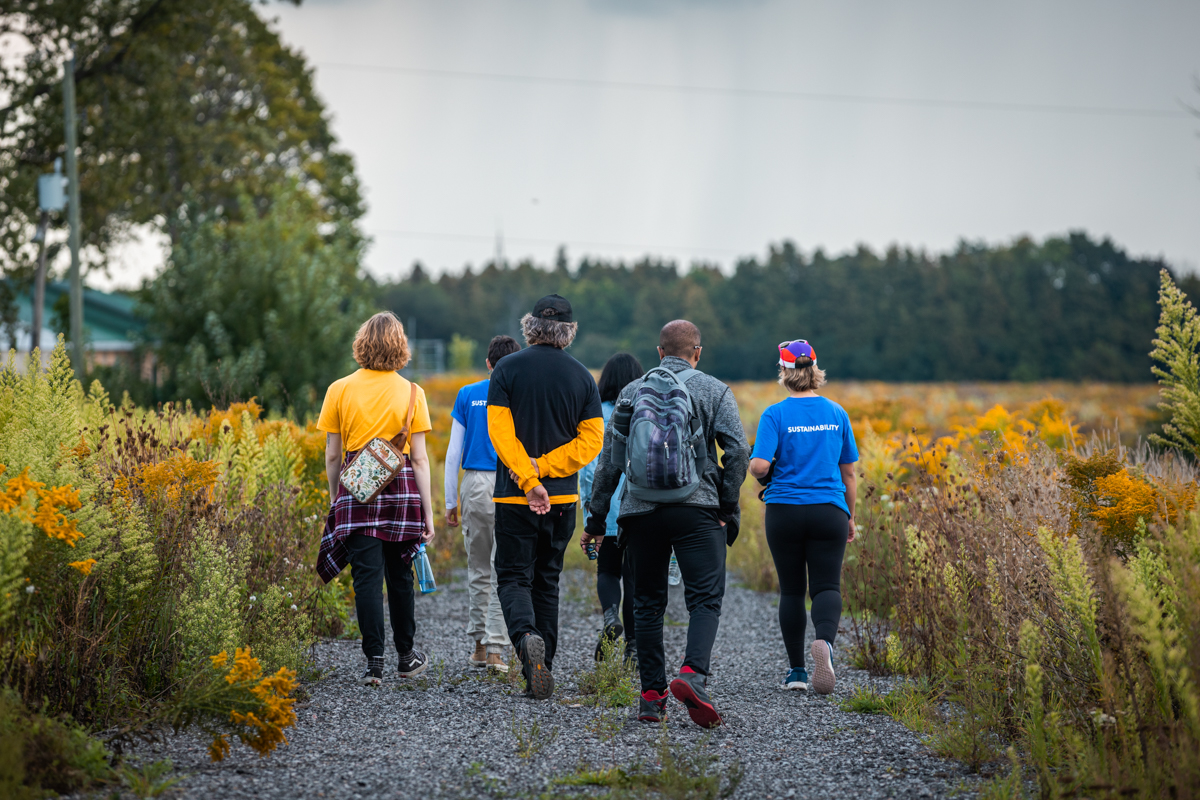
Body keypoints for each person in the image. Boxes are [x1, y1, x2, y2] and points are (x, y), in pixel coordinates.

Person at [585, 320, 749, 728]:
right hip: (699, 510)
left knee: (646, 602)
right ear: (698, 352)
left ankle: (651, 696)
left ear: (659, 353)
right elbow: (739, 451)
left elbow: (609, 462)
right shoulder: (714, 390)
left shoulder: (629, 392)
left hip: (640, 512)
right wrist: (727, 504)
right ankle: (693, 675)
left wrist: (596, 517)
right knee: (705, 599)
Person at [488, 294, 604, 700]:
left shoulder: (506, 369)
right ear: (569, 331)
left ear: (529, 326)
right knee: (548, 580)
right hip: (562, 500)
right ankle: (544, 667)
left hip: (515, 498)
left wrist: (526, 475)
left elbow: (499, 433)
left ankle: (524, 640)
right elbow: (592, 441)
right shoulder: (582, 377)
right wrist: (546, 469)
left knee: (513, 576)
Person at [316, 312, 435, 686]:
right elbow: (418, 459)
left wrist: (339, 497)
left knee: (366, 579)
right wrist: (427, 514)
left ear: (362, 343)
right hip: (400, 491)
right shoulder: (414, 392)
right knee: (399, 575)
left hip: (356, 490)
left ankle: (374, 663)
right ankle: (406, 657)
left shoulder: (339, 389)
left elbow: (333, 455)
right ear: (400, 346)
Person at [748, 339, 858, 695]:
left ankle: (796, 672)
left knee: (792, 590)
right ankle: (824, 643)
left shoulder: (774, 414)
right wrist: (850, 517)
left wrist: (762, 470)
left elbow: (760, 465)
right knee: (826, 586)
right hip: (830, 511)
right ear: (814, 370)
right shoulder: (837, 413)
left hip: (785, 512)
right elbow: (850, 474)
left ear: (784, 372)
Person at [444, 335, 521, 673]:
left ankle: (477, 645)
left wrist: (449, 500)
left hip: (474, 483)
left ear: (488, 364)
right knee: (501, 567)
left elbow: (452, 454)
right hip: (510, 482)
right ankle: (495, 650)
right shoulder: (521, 395)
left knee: (477, 566)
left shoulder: (467, 394)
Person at [579, 352, 644, 663]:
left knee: (606, 570)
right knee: (633, 578)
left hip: (604, 511)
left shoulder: (596, 417)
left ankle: (609, 617)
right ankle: (633, 647)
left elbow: (589, 470)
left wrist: (591, 512)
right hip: (637, 509)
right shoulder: (644, 414)